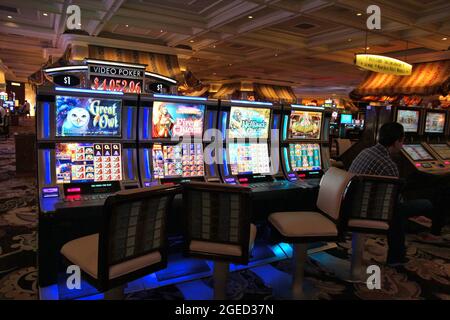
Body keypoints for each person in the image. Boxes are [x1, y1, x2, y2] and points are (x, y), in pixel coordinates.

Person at [349, 122, 443, 266]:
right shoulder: (388, 164)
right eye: (402, 140)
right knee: (419, 206)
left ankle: (397, 255)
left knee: (396, 211)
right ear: (397, 141)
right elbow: (395, 199)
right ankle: (397, 256)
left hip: (353, 202)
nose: (403, 144)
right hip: (369, 208)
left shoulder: (365, 151)